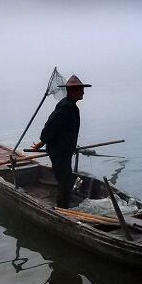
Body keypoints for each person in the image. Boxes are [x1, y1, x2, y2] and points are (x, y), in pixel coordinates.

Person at [31, 75, 91, 208]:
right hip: (59, 151)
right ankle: (62, 210)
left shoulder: (71, 105)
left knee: (66, 180)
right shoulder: (66, 107)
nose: (83, 92)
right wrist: (42, 141)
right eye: (80, 89)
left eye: (82, 89)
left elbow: (62, 129)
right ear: (71, 91)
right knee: (66, 181)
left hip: (64, 150)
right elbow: (51, 125)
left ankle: (63, 206)